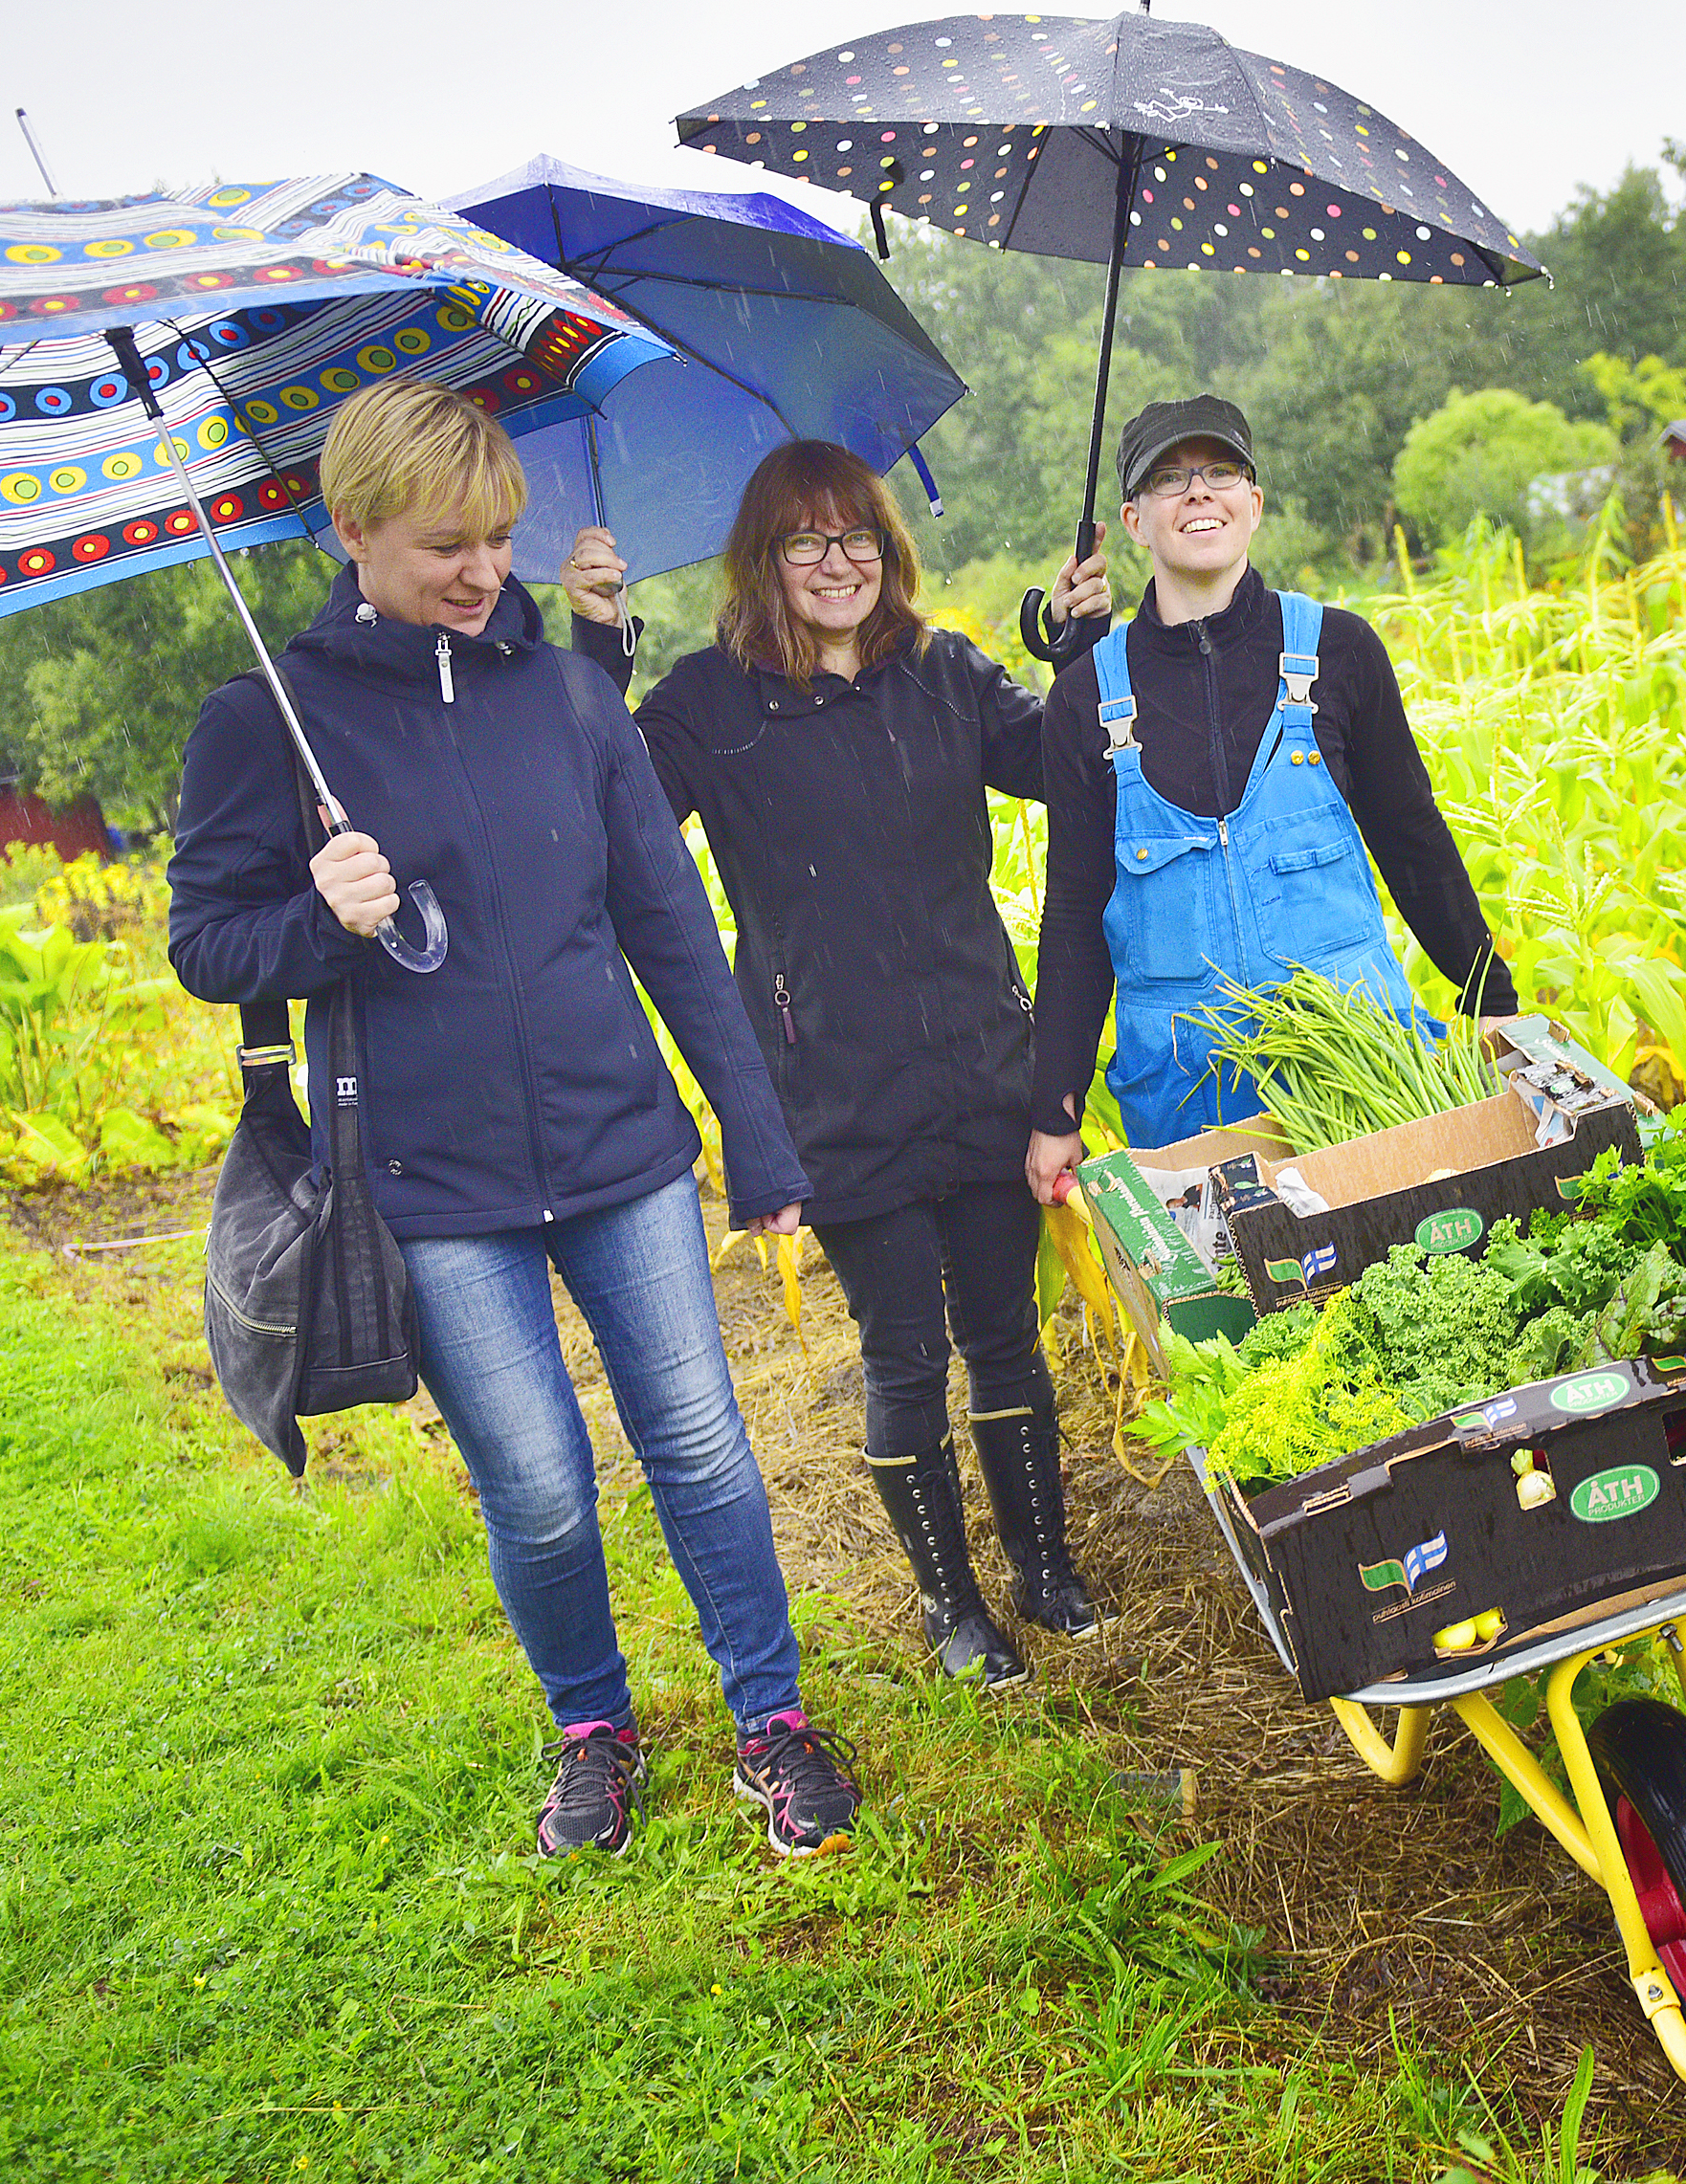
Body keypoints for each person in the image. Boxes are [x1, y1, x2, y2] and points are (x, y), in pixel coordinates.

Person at [168, 379, 861, 1862]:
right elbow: (206, 945)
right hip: (431, 1184)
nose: (481, 575)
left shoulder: (566, 696)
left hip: (621, 1150)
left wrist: (759, 1140)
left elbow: (671, 928)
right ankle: (594, 1730)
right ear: (349, 529)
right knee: (540, 1486)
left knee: (702, 1444)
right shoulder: (264, 722)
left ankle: (771, 1720)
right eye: (442, 547)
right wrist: (314, 918)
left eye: (495, 538)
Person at [561, 443, 1111, 1689]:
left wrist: (1079, 651)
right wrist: (598, 644)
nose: (836, 560)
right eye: (805, 539)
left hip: (983, 1063)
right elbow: (612, 816)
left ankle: (1044, 1564)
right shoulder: (709, 706)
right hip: (833, 1093)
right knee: (906, 1349)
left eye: (857, 533)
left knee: (1008, 1337)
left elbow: (1064, 775)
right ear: (763, 559)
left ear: (888, 548)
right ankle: (950, 1601)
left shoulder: (945, 671)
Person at [1023, 395, 1520, 1201]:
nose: (1198, 493)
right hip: (1191, 1097)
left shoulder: (1339, 650)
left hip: (1362, 1075)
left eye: (1220, 472)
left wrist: (1489, 998)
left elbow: (1412, 841)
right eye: (1168, 479)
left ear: (1252, 504)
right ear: (1133, 521)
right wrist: (1055, 1110)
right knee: (1236, 1322)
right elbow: (1076, 915)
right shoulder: (1083, 700)